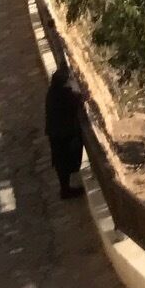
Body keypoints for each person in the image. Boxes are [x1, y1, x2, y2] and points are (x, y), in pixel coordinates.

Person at [44, 64, 87, 199]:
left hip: (55, 132)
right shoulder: (64, 95)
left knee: (60, 163)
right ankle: (66, 190)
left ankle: (65, 189)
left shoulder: (53, 92)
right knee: (64, 162)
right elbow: (78, 100)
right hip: (63, 134)